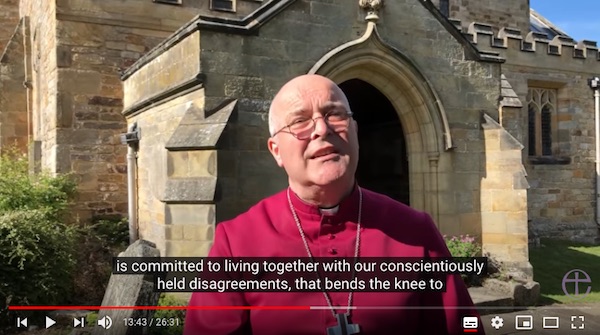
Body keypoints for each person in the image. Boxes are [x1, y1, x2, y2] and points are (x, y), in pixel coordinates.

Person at [184, 74, 485, 334]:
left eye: (334, 114)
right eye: (300, 121)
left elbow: (462, 327)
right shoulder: (235, 243)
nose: (321, 129)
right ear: (276, 150)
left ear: (354, 131)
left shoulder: (416, 231)